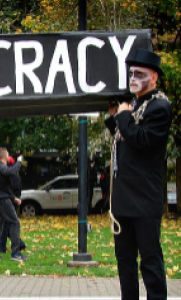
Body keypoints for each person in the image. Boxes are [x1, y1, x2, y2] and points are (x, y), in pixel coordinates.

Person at [104, 48, 172, 300]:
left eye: (140, 73)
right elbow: (125, 140)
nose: (133, 78)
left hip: (144, 200)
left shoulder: (160, 107)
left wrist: (122, 116)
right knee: (125, 262)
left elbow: (142, 140)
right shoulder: (134, 105)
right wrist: (116, 118)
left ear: (153, 77)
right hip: (123, 201)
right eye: (131, 73)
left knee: (151, 262)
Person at [0, 147, 26, 261]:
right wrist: (19, 162)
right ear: (5, 156)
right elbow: (11, 172)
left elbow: (3, 188)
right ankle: (15, 253)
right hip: (2, 201)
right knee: (15, 222)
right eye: (8, 155)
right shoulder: (0, 167)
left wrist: (14, 198)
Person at [0, 156, 26, 253]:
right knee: (8, 225)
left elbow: (11, 190)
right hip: (10, 202)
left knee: (6, 226)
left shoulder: (11, 176)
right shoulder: (12, 175)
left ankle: (3, 247)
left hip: (10, 202)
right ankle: (19, 243)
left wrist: (12, 199)